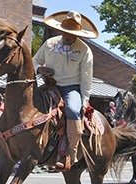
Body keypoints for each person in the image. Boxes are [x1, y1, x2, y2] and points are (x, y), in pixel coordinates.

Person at [33, 11, 98, 171]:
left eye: (72, 33)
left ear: (78, 33)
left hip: (71, 88)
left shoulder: (84, 51)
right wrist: (39, 68)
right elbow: (34, 61)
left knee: (73, 110)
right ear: (61, 30)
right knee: (31, 104)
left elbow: (86, 79)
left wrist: (84, 101)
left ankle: (70, 153)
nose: (68, 36)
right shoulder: (49, 44)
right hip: (48, 85)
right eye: (66, 32)